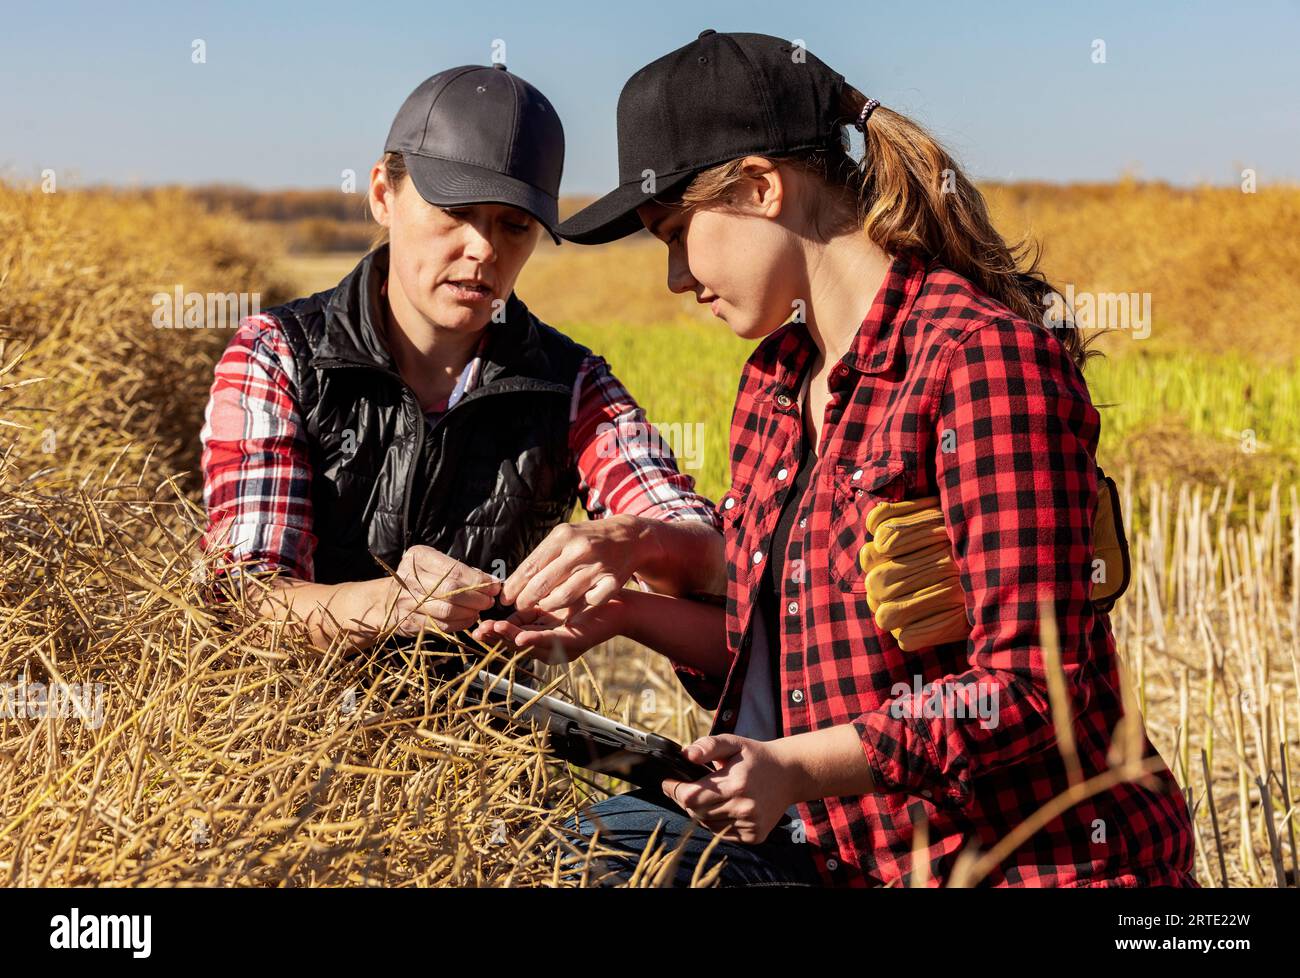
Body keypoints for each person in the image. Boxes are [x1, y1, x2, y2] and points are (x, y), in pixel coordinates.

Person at [484, 31, 1198, 888]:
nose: (676, 277)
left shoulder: (980, 364)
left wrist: (793, 771)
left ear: (760, 186)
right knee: (570, 850)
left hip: (1020, 866)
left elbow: (1031, 689)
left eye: (677, 234)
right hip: (846, 852)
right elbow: (783, 649)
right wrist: (622, 615)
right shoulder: (776, 384)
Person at [198, 62, 724, 662]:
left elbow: (709, 551)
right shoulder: (279, 355)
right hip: (292, 734)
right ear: (381, 194)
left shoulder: (572, 385)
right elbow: (241, 600)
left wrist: (639, 539)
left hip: (489, 743)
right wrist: (389, 604)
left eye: (515, 225)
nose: (483, 249)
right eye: (455, 211)